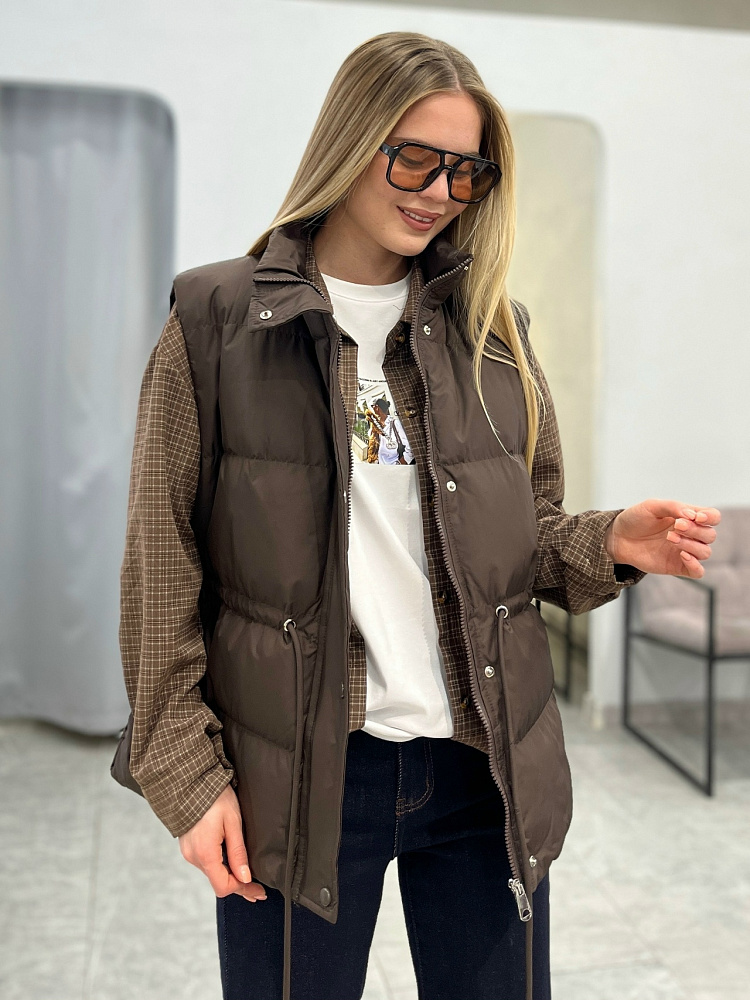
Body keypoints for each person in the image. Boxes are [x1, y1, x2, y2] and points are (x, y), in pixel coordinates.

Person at [118, 31, 721, 1000]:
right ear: (350, 141)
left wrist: (609, 541)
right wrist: (186, 776)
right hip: (303, 773)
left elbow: (522, 545)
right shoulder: (216, 321)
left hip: (484, 767)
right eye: (415, 159)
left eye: (466, 171)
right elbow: (162, 569)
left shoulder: (494, 332)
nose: (440, 192)